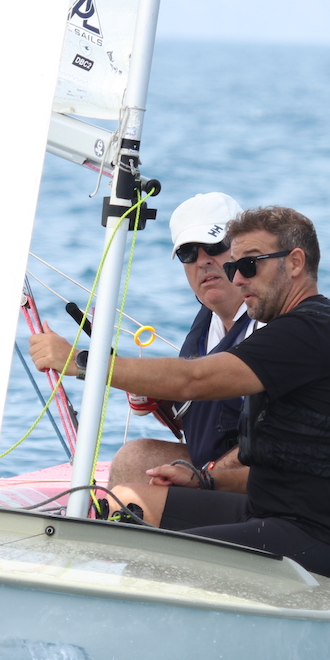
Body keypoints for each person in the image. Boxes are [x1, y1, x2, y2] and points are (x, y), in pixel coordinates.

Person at [30, 206, 330, 583]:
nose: (238, 279)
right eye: (235, 267)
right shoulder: (302, 330)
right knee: (129, 503)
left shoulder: (308, 334)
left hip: (323, 539)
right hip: (270, 513)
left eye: (249, 265)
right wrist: (205, 481)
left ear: (295, 263)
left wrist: (82, 362)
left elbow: (193, 380)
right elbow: (277, 468)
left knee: (146, 548)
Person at [108, 192, 257, 485]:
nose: (202, 261)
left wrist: (204, 479)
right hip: (210, 468)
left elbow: (274, 441)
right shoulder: (207, 319)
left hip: (254, 480)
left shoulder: (268, 323)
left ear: (242, 248)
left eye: (214, 246)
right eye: (188, 253)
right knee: (132, 459)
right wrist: (158, 398)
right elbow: (205, 421)